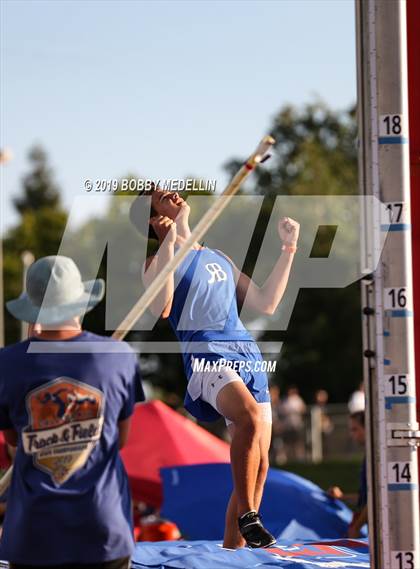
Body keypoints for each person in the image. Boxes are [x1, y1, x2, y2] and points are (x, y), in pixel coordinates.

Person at [130, 189, 299, 549]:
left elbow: (265, 303)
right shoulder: (155, 262)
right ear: (152, 218)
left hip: (246, 354)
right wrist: (169, 242)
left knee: (261, 466)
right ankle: (249, 517)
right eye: (160, 197)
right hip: (207, 356)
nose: (171, 193)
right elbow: (161, 307)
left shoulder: (218, 257)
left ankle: (232, 552)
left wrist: (289, 250)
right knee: (249, 417)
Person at [0, 255, 145, 569]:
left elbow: (13, 439)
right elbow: (120, 439)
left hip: (33, 535)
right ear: (81, 304)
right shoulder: (118, 357)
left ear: (33, 309)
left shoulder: (6, 363)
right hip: (102, 531)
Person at [327, 411, 367, 538]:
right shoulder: (370, 456)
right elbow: (365, 498)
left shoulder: (376, 459)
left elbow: (377, 499)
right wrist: (343, 497)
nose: (352, 434)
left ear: (369, 428)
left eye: (355, 429)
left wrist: (357, 526)